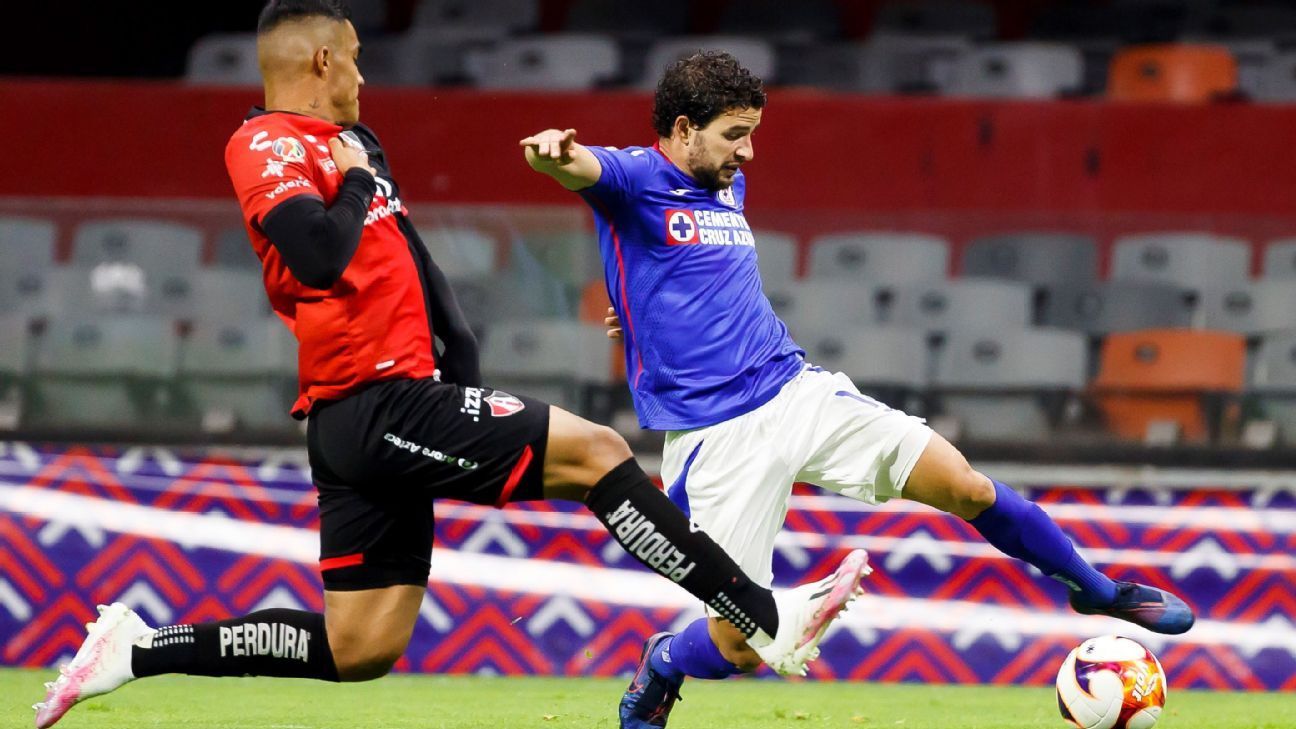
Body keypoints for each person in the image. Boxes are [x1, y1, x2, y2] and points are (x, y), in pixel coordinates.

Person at [30, 8, 872, 728]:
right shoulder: (265, 142)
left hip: (400, 401)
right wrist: (356, 186)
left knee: (359, 648)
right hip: (371, 399)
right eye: (356, 55)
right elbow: (317, 256)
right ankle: (762, 615)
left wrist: (461, 360)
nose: (363, 71)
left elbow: (419, 267)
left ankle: (135, 649)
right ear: (323, 57)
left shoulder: (358, 142)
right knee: (598, 453)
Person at [520, 51, 1196, 729]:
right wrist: (552, 155)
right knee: (740, 646)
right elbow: (575, 167)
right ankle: (666, 658)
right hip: (714, 439)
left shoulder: (727, 184)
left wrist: (635, 309)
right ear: (685, 128)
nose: (748, 152)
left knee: (965, 484)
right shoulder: (634, 176)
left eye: (754, 132)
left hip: (795, 389)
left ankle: (1098, 589)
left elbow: (684, 277)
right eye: (734, 134)